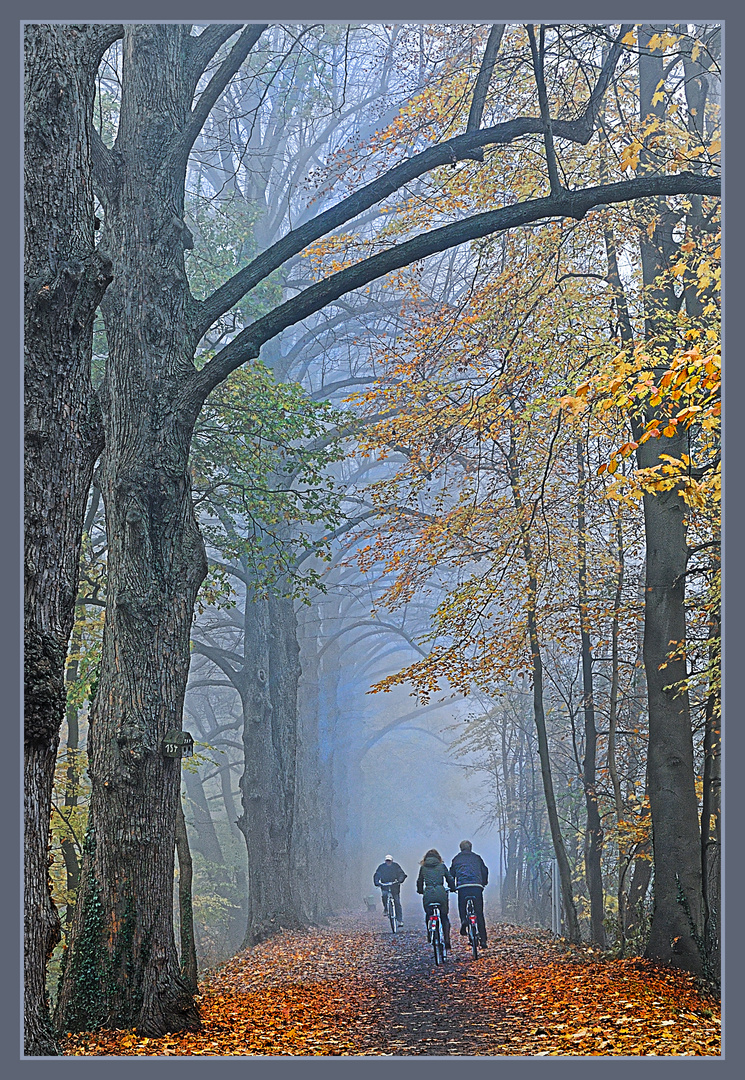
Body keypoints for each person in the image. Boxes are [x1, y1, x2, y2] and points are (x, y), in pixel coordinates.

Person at [449, 839, 489, 949]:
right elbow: (485, 870)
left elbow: (451, 874)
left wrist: (453, 887)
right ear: (470, 848)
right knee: (479, 913)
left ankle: (464, 920)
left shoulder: (456, 859)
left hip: (463, 887)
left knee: (462, 906)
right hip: (476, 886)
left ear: (460, 848)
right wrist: (484, 882)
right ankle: (484, 940)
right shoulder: (477, 858)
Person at [416, 848, 456, 951]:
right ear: (438, 857)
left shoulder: (423, 867)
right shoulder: (441, 866)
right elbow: (450, 878)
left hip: (428, 893)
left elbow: (420, 881)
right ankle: (447, 940)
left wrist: (420, 891)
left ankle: (430, 933)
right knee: (444, 916)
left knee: (429, 914)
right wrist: (452, 888)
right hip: (440, 893)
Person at [373, 855, 407, 923]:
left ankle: (400, 920)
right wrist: (376, 882)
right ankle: (386, 908)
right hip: (385, 885)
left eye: (389, 861)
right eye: (387, 861)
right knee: (384, 895)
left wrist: (400, 880)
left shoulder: (396, 866)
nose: (388, 862)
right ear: (385, 861)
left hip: (394, 886)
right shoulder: (381, 867)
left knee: (397, 902)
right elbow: (377, 875)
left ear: (392, 861)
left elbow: (401, 874)